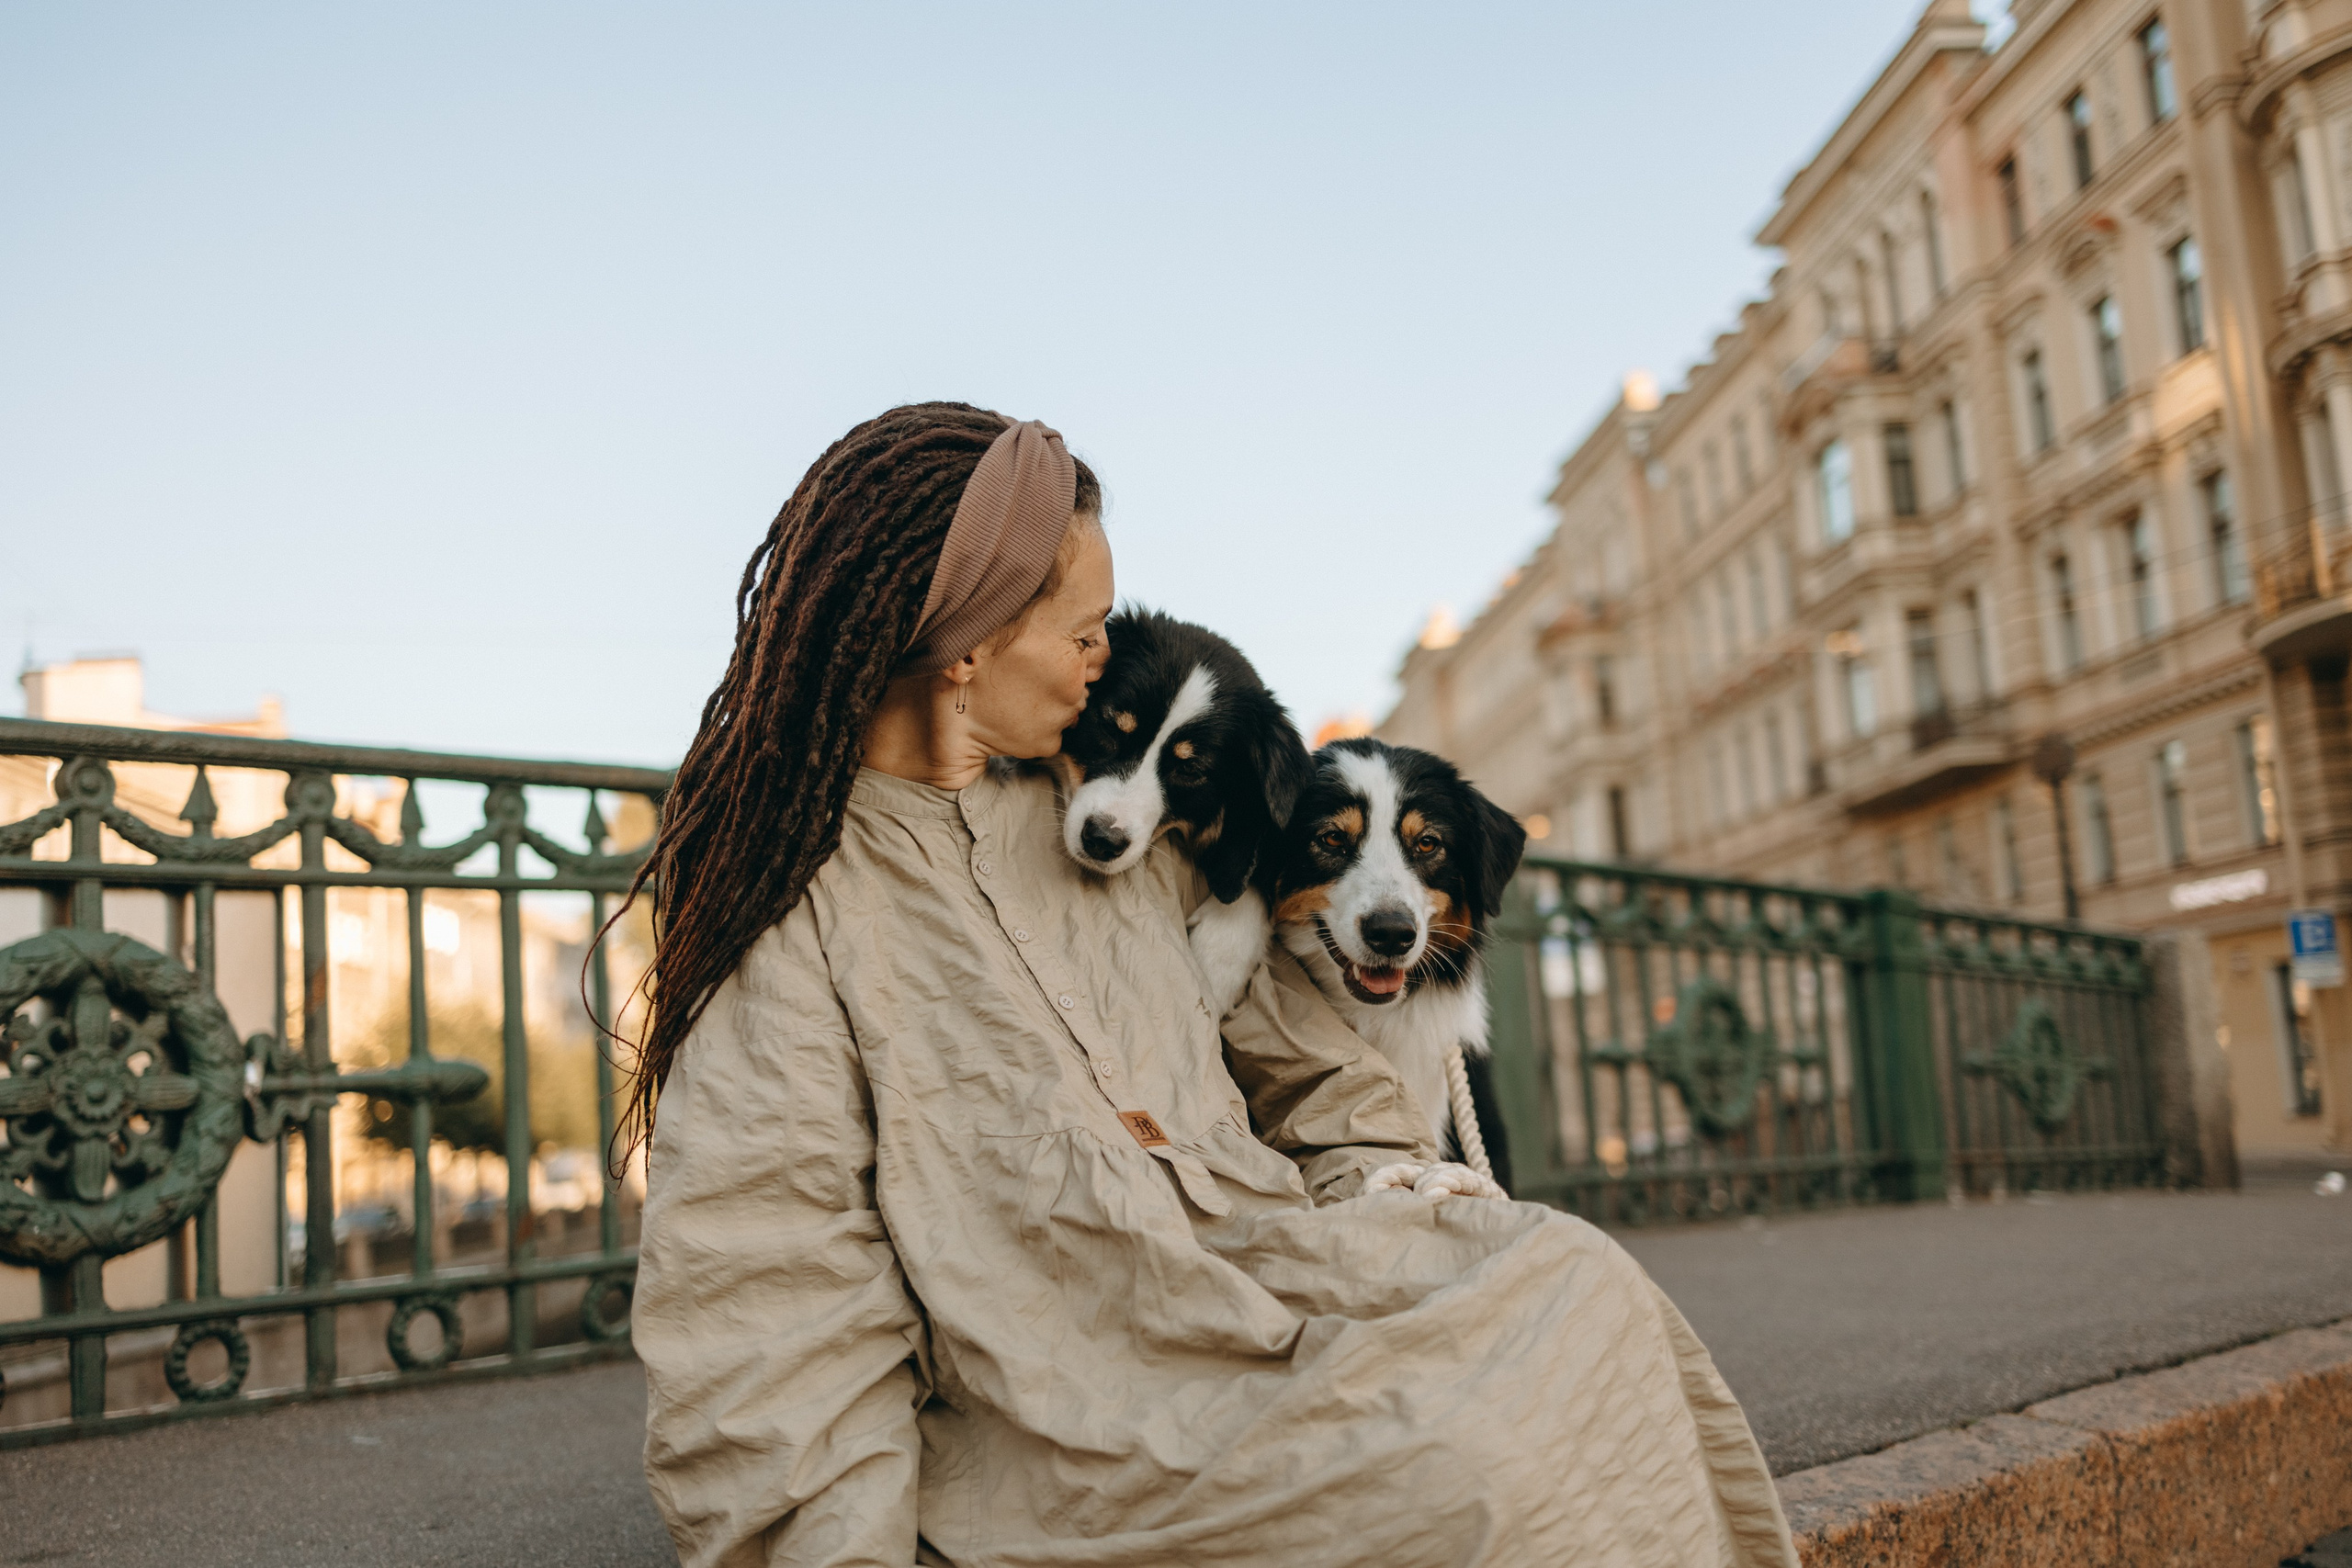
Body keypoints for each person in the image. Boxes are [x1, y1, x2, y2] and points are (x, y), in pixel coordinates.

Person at [626, 402, 1799, 1567]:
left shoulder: (1129, 838)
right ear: (970, 637)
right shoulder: (796, 903)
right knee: (1460, 1460)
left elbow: (1313, 1074)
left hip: (1273, 1279)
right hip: (1077, 1402)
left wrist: (1388, 1191)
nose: (1105, 659)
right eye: (1084, 632)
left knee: (1572, 1276)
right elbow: (769, 1304)